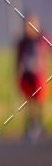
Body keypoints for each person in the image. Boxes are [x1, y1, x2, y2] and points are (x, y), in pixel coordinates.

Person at [16, 13, 50, 141]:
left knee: (40, 100)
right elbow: (18, 60)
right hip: (27, 75)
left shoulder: (42, 39)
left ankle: (40, 124)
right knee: (29, 101)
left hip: (39, 75)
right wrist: (17, 74)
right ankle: (30, 125)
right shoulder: (22, 42)